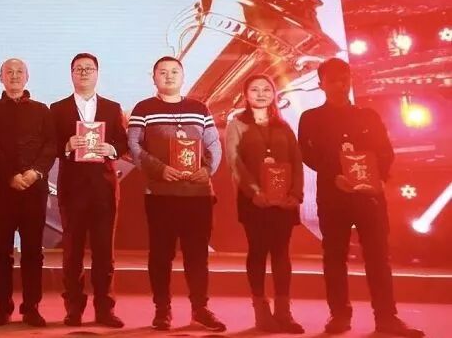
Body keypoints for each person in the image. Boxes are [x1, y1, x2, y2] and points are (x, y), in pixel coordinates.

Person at [298, 58, 424, 337]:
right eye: (332, 80)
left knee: (378, 258)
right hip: (333, 196)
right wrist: (335, 176)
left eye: (344, 79)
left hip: (369, 198)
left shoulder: (368, 116)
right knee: (334, 257)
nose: (339, 85)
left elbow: (385, 151)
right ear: (321, 84)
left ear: (350, 80)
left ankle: (387, 317)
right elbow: (308, 154)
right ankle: (339, 315)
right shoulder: (311, 118)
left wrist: (378, 180)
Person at [127, 56, 226, 332]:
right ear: (153, 77)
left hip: (198, 195)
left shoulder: (199, 108)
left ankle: (200, 309)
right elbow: (134, 145)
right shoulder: (143, 109)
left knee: (197, 256)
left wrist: (207, 170)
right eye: (162, 72)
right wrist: (159, 170)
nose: (168, 76)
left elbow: (214, 144)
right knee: (161, 255)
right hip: (161, 195)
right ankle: (162, 310)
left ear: (183, 76)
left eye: (174, 71)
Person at [49, 53, 127, 328]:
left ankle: (105, 309)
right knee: (72, 254)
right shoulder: (57, 109)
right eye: (78, 69)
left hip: (104, 189)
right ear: (71, 74)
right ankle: (74, 308)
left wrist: (112, 149)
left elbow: (124, 143)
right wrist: (66, 146)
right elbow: (49, 145)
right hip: (72, 190)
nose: (84, 73)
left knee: (104, 253)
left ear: (97, 73)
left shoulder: (112, 107)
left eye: (89, 68)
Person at [0, 58, 57, 327]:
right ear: (0, 77)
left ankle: (32, 307)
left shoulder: (42, 110)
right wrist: (11, 176)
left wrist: (34, 172)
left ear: (27, 76)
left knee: (33, 251)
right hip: (3, 190)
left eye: (19, 72)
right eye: (8, 72)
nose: (14, 76)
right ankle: (2, 307)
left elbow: (51, 146)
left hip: (35, 191)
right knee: (1, 251)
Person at [224, 74, 304, 333]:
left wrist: (296, 194)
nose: (260, 94)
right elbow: (235, 161)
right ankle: (261, 311)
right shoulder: (237, 124)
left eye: (266, 89)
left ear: (274, 94)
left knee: (281, 253)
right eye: (254, 89)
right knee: (258, 251)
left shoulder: (284, 125)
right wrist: (254, 192)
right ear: (245, 95)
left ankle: (284, 312)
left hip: (284, 202)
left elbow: (296, 160)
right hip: (254, 201)